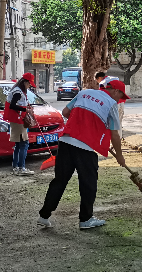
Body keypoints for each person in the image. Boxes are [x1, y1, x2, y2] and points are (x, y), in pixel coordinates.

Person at [37, 79, 128, 229]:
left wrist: (80, 122)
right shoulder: (111, 104)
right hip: (84, 147)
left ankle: (44, 215)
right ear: (116, 91)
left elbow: (65, 112)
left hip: (66, 142)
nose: (120, 100)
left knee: (59, 181)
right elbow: (115, 134)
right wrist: (120, 155)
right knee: (88, 184)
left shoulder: (84, 93)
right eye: (121, 96)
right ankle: (85, 219)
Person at [4, 72, 36, 176]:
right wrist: (25, 109)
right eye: (29, 83)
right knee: (24, 143)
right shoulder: (18, 92)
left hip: (18, 119)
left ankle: (16, 167)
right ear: (25, 82)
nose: (30, 85)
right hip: (18, 120)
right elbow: (12, 106)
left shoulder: (19, 90)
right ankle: (21, 167)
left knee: (18, 144)